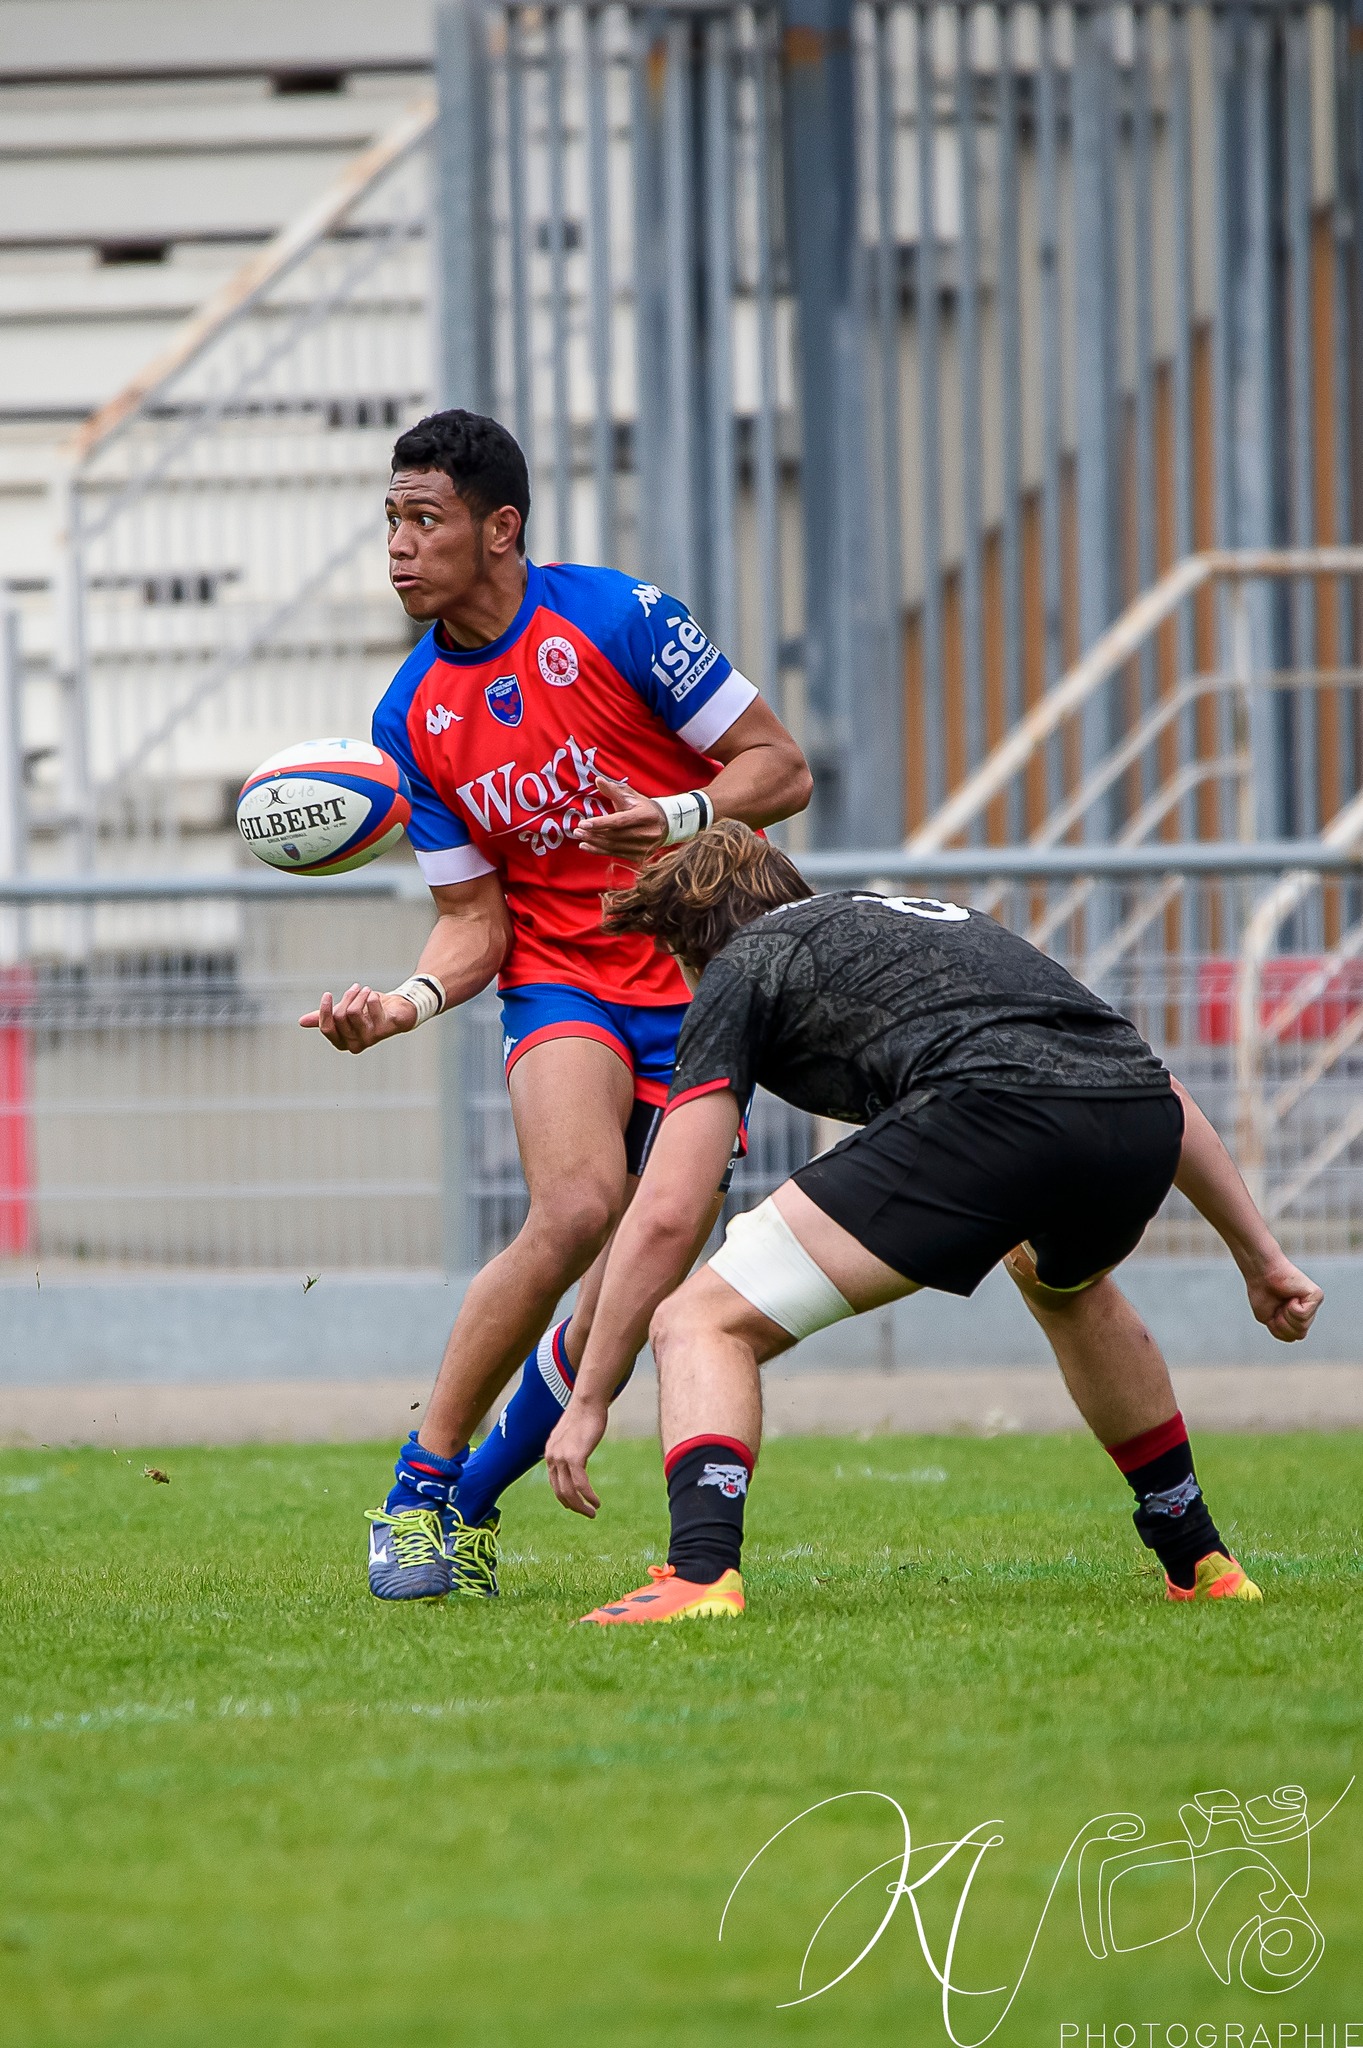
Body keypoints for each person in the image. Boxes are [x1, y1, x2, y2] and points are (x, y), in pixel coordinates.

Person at [543, 824, 1325, 1623]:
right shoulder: (925, 923)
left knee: (700, 1320)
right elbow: (1149, 1077)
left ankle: (700, 1574)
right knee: (1062, 1285)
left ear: (689, 944)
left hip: (992, 1111)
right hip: (1135, 1125)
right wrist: (1259, 1257)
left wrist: (591, 1396)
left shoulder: (744, 962)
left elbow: (671, 1210)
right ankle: (1198, 1556)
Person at [299, 412, 811, 1601]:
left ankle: (474, 1504)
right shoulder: (409, 718)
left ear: (501, 527)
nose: (399, 547)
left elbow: (779, 767)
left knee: (635, 1274)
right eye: (391, 520)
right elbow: (477, 922)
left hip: (699, 979)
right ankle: (416, 1490)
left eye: (425, 520)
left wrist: (680, 816)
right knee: (579, 1201)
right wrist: (405, 1001)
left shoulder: (622, 617)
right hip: (562, 979)